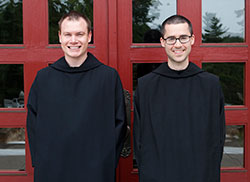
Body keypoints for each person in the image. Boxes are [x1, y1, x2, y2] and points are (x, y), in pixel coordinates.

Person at [27, 11, 126, 182]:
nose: (73, 40)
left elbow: (119, 124)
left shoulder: (108, 77)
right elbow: (33, 124)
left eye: (79, 34)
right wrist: (41, 161)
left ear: (89, 36)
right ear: (60, 37)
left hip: (96, 171)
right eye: (68, 34)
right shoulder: (43, 78)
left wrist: (106, 162)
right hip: (52, 169)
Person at [133, 15, 225, 182]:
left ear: (192, 40)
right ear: (162, 42)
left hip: (200, 174)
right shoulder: (146, 86)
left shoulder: (211, 85)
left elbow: (217, 139)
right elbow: (140, 141)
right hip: (158, 175)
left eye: (183, 38)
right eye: (171, 39)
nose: (177, 44)